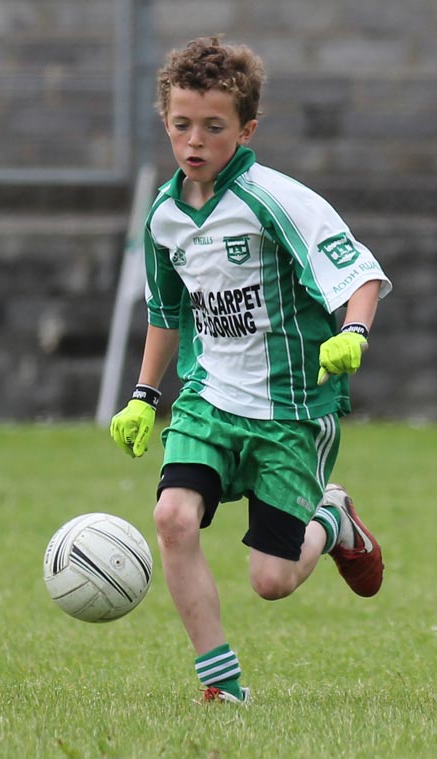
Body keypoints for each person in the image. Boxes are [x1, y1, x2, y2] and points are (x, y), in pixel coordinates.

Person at [110, 36, 392, 704]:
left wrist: (352, 331)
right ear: (166, 123)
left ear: (247, 129)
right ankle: (223, 683)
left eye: (213, 127)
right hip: (209, 400)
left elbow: (362, 273)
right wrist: (145, 396)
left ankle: (334, 518)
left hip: (292, 410)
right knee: (173, 517)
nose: (195, 142)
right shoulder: (165, 217)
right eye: (182, 125)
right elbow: (165, 311)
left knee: (271, 579)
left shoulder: (277, 199)